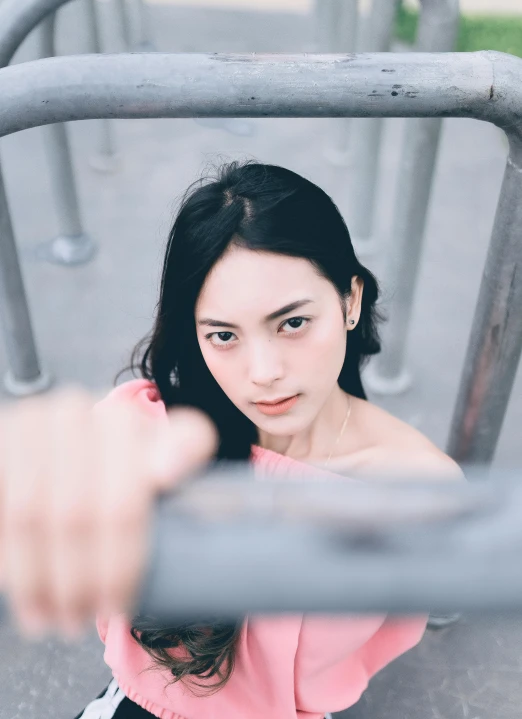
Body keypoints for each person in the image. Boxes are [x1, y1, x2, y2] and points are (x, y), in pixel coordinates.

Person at [0, 161, 464, 719]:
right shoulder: (153, 434)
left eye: (292, 323)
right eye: (224, 335)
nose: (263, 371)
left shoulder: (415, 487)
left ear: (349, 301)